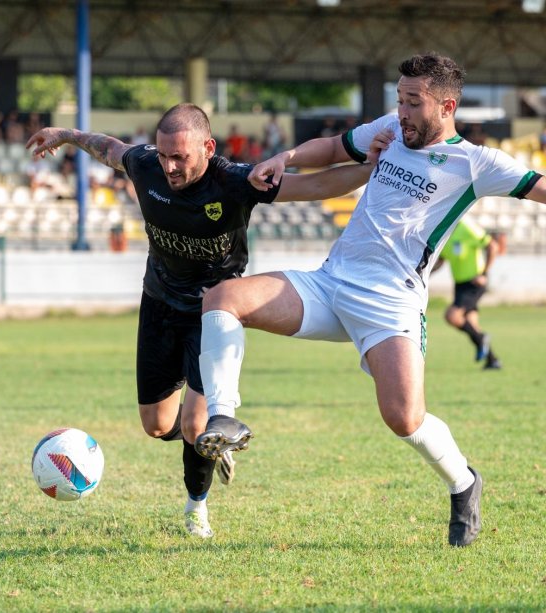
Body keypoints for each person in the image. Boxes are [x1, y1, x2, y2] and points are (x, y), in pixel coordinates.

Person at [193, 52, 546, 548]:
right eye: (399, 100)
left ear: (447, 106)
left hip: (392, 304)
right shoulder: (391, 130)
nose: (402, 112)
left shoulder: (476, 164)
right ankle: (224, 416)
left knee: (404, 418)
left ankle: (464, 482)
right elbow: (333, 147)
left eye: (413, 102)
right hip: (329, 285)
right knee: (224, 298)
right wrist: (284, 158)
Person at [25, 103, 372, 539]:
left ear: (207, 148)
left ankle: (196, 509)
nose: (169, 166)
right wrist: (67, 134)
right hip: (159, 304)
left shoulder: (234, 181)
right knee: (155, 425)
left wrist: (373, 168)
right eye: (164, 154)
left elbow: (315, 186)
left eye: (180, 157)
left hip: (214, 314)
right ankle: (210, 447)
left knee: (195, 425)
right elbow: (110, 148)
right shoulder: (146, 165)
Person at [434, 217, 502, 370]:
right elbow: (441, 260)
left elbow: (493, 246)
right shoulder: (444, 232)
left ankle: (481, 338)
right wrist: (423, 275)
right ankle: (493, 361)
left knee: (452, 316)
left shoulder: (466, 227)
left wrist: (484, 273)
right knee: (471, 324)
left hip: (474, 282)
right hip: (460, 285)